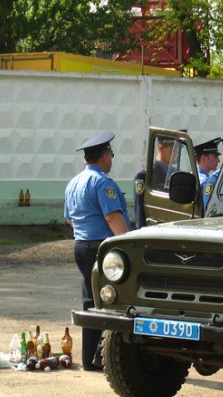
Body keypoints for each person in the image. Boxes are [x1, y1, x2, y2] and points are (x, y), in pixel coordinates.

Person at [64, 131, 130, 371]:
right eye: (110, 155)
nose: (111, 159)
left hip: (80, 245)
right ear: (104, 157)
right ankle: (102, 356)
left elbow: (70, 219)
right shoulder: (103, 183)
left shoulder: (73, 183)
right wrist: (126, 245)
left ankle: (90, 357)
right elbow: (113, 217)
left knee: (90, 301)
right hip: (102, 247)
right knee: (110, 302)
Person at [133, 136, 176, 228]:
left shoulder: (176, 173)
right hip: (154, 229)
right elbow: (140, 211)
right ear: (161, 148)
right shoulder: (145, 176)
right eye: (172, 149)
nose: (175, 153)